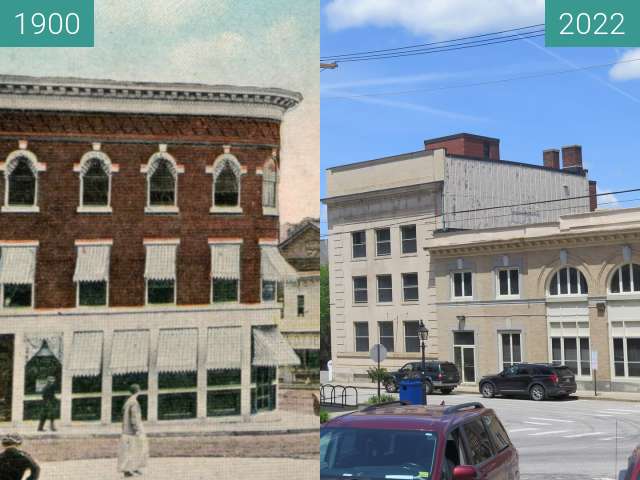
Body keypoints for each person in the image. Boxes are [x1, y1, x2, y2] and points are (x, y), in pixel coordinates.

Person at [117, 384, 149, 478]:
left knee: (129, 450)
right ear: (138, 391)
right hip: (131, 431)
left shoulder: (127, 402)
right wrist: (137, 430)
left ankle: (133, 468)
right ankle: (129, 470)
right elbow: (134, 417)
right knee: (135, 450)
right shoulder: (134, 402)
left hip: (126, 431)